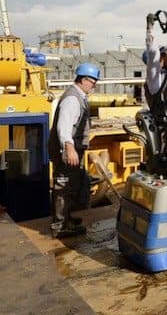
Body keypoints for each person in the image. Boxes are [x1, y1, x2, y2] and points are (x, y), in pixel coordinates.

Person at [48, 62, 100, 238]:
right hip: (67, 152)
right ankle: (59, 225)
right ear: (84, 79)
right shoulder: (72, 99)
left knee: (71, 186)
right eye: (93, 82)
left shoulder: (79, 96)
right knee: (63, 187)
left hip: (73, 151)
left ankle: (66, 218)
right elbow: (63, 126)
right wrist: (69, 148)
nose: (94, 86)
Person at [143, 21, 167, 156]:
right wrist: (150, 29)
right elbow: (152, 53)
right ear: (161, 58)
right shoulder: (154, 79)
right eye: (166, 55)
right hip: (164, 129)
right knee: (166, 158)